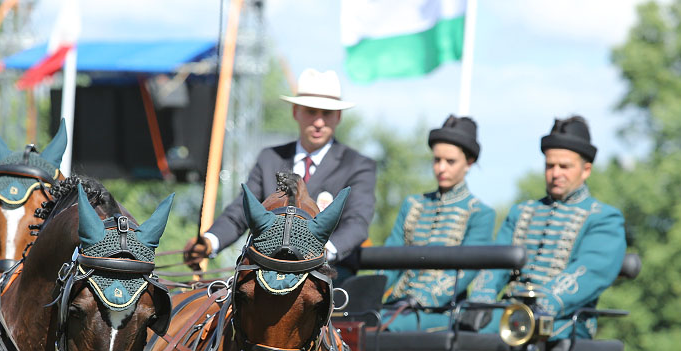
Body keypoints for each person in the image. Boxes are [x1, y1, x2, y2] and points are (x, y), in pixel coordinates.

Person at [183, 68, 376, 281]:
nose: (319, 122)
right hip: (266, 267)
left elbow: (357, 223)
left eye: (327, 113)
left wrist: (318, 253)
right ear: (296, 112)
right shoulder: (270, 159)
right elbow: (241, 212)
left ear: (338, 116)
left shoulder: (358, 165)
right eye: (311, 111)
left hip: (327, 274)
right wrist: (210, 241)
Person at [469, 115, 626, 339]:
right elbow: (496, 263)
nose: (555, 174)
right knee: (461, 328)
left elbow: (591, 270)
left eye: (565, 166)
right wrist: (480, 303)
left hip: (565, 320)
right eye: (550, 165)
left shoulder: (604, 218)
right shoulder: (521, 212)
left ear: (586, 170)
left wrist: (542, 306)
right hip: (511, 312)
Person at [380, 115, 495, 331]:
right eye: (437, 160)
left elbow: (465, 273)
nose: (441, 168)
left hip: (443, 312)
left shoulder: (480, 213)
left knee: (386, 326)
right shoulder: (413, 204)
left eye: (450, 162)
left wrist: (420, 299)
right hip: (397, 304)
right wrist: (370, 294)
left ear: (469, 163)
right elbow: (390, 258)